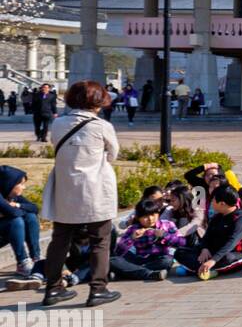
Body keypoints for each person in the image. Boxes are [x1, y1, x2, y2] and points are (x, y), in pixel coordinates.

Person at [38, 80, 121, 307]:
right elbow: (113, 153)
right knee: (100, 239)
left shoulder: (58, 124)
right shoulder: (101, 126)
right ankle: (98, 289)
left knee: (60, 239)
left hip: (65, 188)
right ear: (98, 101)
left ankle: (52, 288)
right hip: (95, 188)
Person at [172, 185, 242, 280]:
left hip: (231, 253)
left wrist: (213, 260)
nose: (211, 203)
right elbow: (206, 237)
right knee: (179, 252)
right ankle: (205, 270)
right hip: (212, 253)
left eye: (213, 200)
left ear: (222, 204)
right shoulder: (217, 218)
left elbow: (231, 243)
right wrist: (204, 249)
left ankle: (199, 269)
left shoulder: (241, 219)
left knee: (228, 258)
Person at [110, 197, 186, 281]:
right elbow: (119, 251)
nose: (150, 219)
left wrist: (165, 235)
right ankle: (148, 273)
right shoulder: (134, 229)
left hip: (158, 259)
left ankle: (129, 272)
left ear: (158, 214)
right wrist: (132, 238)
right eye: (145, 217)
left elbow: (182, 242)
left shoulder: (167, 225)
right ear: (138, 218)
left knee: (167, 261)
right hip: (139, 259)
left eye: (153, 215)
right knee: (112, 260)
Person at [1, 166, 41, 277]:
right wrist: (13, 210)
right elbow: (14, 214)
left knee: (31, 217)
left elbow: (35, 208)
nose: (24, 187)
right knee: (16, 221)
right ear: (10, 183)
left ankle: (36, 260)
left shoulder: (12, 196)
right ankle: (22, 262)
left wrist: (18, 205)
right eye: (21, 184)